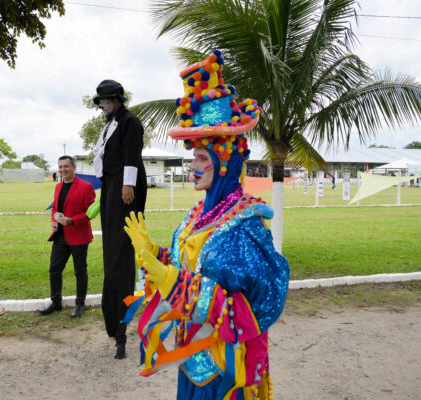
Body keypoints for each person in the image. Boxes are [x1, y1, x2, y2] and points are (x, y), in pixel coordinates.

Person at [122, 51, 289, 399]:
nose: (193, 166)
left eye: (201, 158)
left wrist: (172, 283)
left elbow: (250, 307)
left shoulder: (246, 223)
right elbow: (191, 266)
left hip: (224, 363)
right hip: (192, 355)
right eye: (192, 157)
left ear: (224, 164)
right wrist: (156, 255)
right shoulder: (199, 212)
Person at [93, 79, 147, 359]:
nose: (102, 105)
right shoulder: (110, 123)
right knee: (112, 255)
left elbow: (131, 155)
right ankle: (115, 322)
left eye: (105, 100)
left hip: (125, 188)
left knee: (120, 256)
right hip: (111, 186)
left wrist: (128, 185)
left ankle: (122, 325)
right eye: (101, 101)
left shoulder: (129, 122)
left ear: (116, 100)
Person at [41, 156, 96, 318]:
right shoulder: (58, 186)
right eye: (60, 167)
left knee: (80, 271)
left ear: (73, 167)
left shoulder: (86, 187)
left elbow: (90, 213)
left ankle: (80, 304)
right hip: (60, 236)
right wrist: (54, 221)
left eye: (66, 166)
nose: (63, 170)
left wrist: (72, 220)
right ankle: (56, 302)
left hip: (78, 235)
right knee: (54, 269)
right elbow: (55, 209)